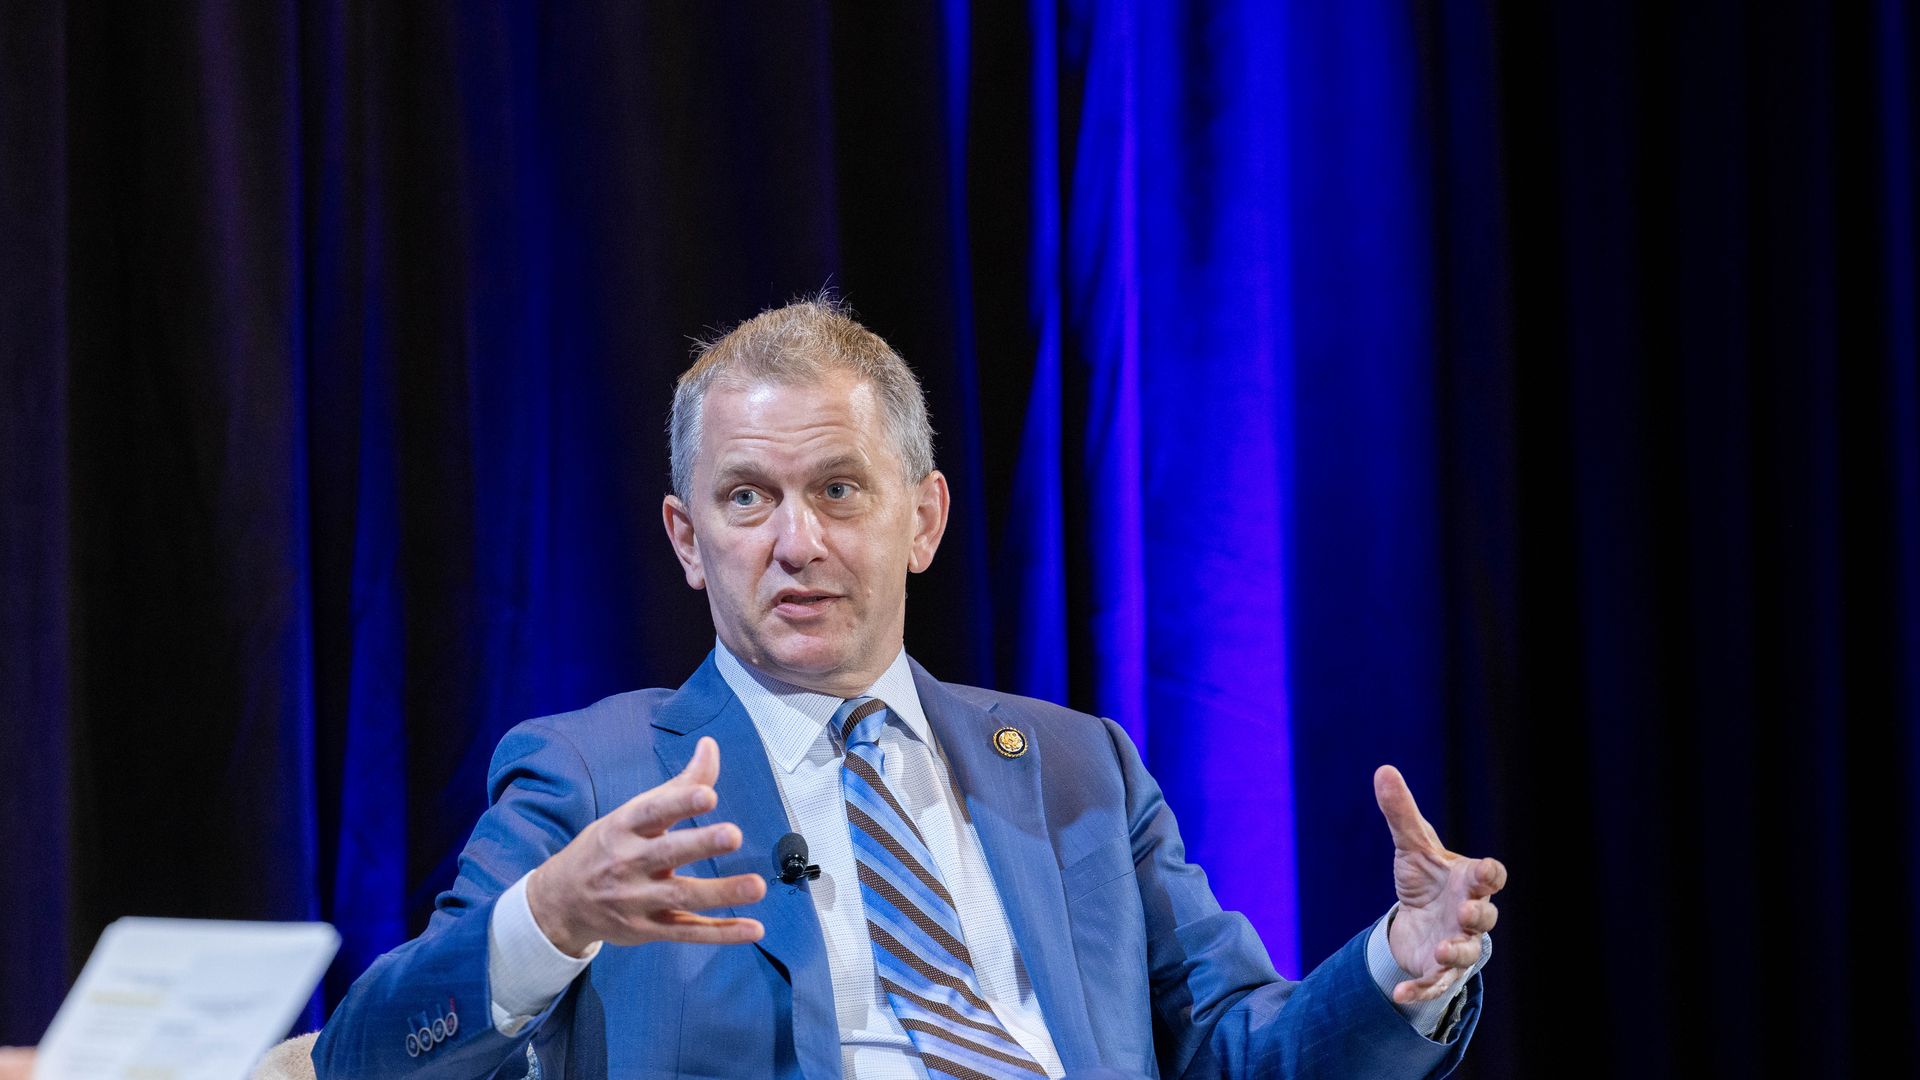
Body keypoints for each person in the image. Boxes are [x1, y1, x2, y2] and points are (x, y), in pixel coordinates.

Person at [314, 299, 1506, 1079]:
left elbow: (1243, 1050)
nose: (796, 542)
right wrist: (552, 919)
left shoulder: (1080, 769)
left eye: (839, 490)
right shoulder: (592, 773)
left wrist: (1397, 968)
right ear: (686, 539)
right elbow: (372, 1056)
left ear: (921, 519)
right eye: (746, 499)